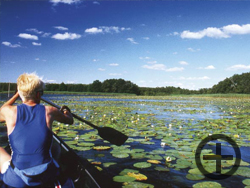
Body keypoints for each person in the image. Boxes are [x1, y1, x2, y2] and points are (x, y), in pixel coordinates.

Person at [0, 73, 73, 187]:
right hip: (46, 176)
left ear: (21, 94)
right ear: (38, 94)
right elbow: (69, 120)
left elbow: (2, 109)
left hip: (18, 180)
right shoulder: (50, 111)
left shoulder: (8, 112)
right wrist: (66, 111)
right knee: (55, 148)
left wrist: (16, 96)